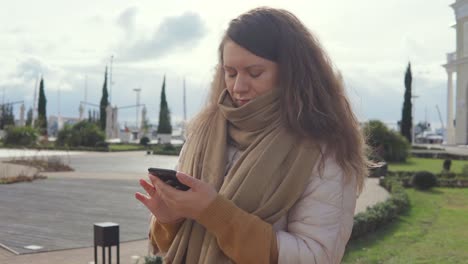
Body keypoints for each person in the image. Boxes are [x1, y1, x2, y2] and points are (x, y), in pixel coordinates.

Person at [135, 7, 369, 264]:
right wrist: (169, 218)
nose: (238, 87)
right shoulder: (206, 131)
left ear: (292, 73)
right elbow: (173, 244)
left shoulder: (322, 150)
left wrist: (214, 213)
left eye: (255, 73)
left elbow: (317, 256)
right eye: (230, 73)